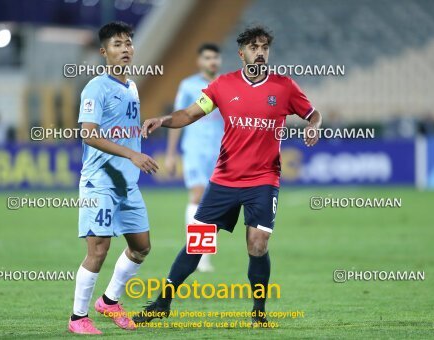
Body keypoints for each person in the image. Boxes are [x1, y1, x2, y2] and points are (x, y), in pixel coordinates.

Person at [135, 25, 322, 327]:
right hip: (224, 179)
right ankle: (161, 303)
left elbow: (313, 113)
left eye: (264, 47)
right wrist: (163, 120)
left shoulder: (284, 87)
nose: (260, 52)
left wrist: (312, 125)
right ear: (241, 53)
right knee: (198, 244)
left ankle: (259, 313)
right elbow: (190, 114)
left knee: (257, 243)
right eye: (253, 47)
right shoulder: (223, 85)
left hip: (263, 180)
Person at [68, 21, 159, 335]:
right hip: (100, 181)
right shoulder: (95, 87)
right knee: (98, 250)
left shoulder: (131, 86)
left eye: (128, 43)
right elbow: (89, 135)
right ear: (103, 52)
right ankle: (78, 317)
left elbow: (121, 127)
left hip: (126, 183)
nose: (125, 49)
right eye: (117, 45)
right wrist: (131, 153)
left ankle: (109, 301)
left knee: (141, 247)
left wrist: (141, 129)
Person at [164, 43, 224, 272]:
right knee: (198, 196)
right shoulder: (188, 86)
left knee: (214, 202)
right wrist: (170, 155)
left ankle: (202, 253)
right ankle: (200, 256)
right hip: (195, 150)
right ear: (200, 61)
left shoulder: (226, 84)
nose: (212, 61)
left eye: (215, 57)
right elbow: (178, 119)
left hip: (222, 151)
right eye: (207, 57)